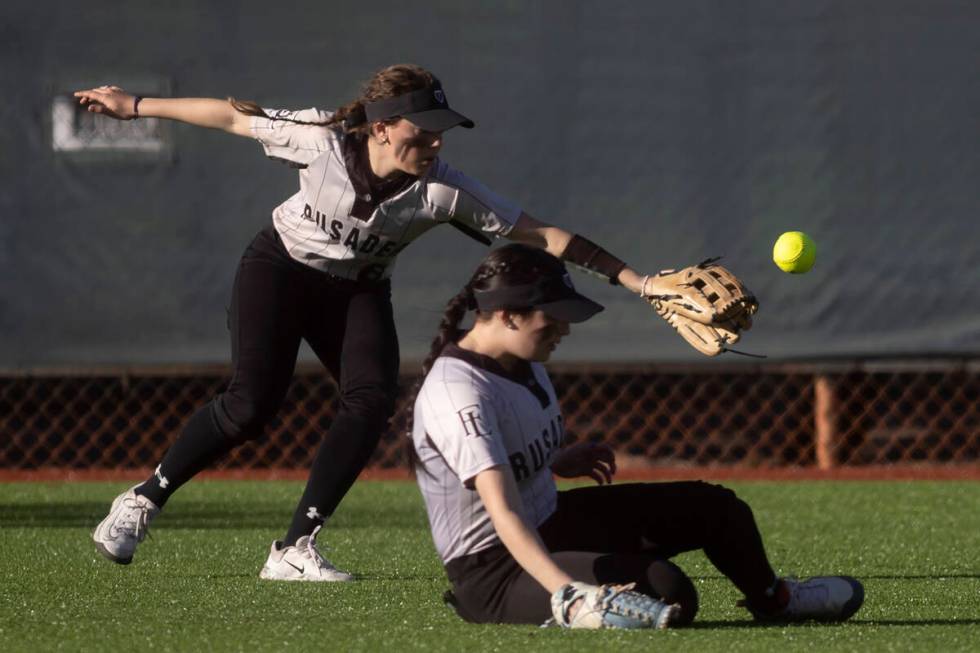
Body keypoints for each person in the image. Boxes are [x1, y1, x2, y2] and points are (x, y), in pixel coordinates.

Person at [78, 64, 683, 581]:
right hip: (280, 268)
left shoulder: (443, 191)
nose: (438, 145)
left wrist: (642, 281)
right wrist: (135, 106)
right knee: (251, 405)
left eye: (443, 133)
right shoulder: (321, 138)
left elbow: (542, 234)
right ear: (383, 126)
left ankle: (293, 549)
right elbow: (233, 116)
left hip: (357, 289)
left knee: (370, 400)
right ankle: (142, 500)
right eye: (425, 131)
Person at [409, 243, 865, 626]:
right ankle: (559, 606)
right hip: (496, 571)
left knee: (716, 508)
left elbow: (508, 460)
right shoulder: (457, 392)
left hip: (550, 522)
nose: (564, 328)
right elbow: (504, 512)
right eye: (553, 316)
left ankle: (776, 601)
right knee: (670, 594)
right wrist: (568, 593)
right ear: (506, 315)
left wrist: (555, 462)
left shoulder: (521, 359)